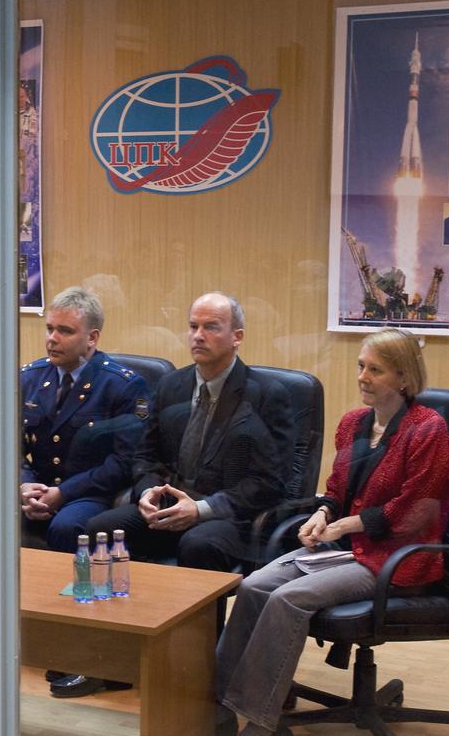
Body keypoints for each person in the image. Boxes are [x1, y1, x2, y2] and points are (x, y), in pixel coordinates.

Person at [206, 328, 449, 736]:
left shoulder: (428, 429)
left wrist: (350, 524)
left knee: (288, 599)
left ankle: (259, 730)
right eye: (361, 365)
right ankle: (221, 704)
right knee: (255, 585)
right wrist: (322, 514)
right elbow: (337, 490)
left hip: (396, 555)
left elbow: (417, 509)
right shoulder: (353, 423)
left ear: (402, 377)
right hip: (347, 546)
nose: (362, 376)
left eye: (374, 369)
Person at [75, 292, 292, 692]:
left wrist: (204, 509)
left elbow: (268, 484)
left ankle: (200, 672)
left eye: (211, 327)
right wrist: (147, 492)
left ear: (237, 336)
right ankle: (110, 656)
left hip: (228, 515)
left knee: (198, 545)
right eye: (193, 326)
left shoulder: (267, 395)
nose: (198, 335)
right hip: (167, 502)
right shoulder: (173, 385)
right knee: (98, 530)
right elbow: (145, 454)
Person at [0, 287, 147, 558]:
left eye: (65, 331)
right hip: (35, 486)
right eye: (49, 329)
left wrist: (63, 492)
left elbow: (124, 462)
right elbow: (10, 447)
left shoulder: (122, 385)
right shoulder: (30, 378)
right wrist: (24, 485)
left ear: (92, 338)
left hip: (89, 493)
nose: (52, 339)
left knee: (66, 527)